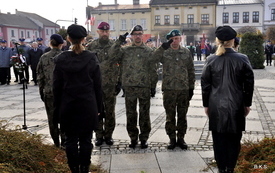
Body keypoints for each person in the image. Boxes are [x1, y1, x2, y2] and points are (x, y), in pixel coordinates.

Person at [201, 25, 254, 173]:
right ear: (233, 40)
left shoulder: (211, 59)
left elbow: (205, 84)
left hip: (216, 104)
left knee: (218, 140)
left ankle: (221, 168)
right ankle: (230, 168)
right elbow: (249, 84)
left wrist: (206, 104)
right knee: (234, 139)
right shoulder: (242, 58)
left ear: (217, 40)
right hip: (237, 104)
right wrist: (247, 103)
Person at [53, 24, 102, 173]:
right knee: (86, 139)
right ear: (83, 39)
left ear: (68, 39)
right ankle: (84, 169)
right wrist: (99, 108)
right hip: (87, 105)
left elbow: (56, 88)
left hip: (68, 106)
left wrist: (57, 109)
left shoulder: (60, 59)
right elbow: (98, 86)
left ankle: (74, 169)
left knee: (70, 140)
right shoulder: (91, 58)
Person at [109, 25, 158, 149]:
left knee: (144, 114)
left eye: (140, 33)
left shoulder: (148, 51)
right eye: (135, 34)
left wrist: (153, 85)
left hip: (144, 87)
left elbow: (153, 69)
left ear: (142, 35)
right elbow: (112, 55)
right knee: (131, 114)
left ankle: (144, 138)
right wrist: (119, 41)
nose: (137, 36)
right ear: (131, 36)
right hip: (129, 87)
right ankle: (133, 138)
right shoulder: (125, 50)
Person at [152, 29, 195, 150]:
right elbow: (152, 59)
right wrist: (161, 48)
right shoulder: (165, 52)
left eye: (177, 38)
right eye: (172, 39)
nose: (174, 41)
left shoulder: (186, 52)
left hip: (183, 89)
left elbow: (191, 70)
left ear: (180, 39)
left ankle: (181, 138)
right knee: (170, 116)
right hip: (169, 89)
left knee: (182, 115)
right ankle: (171, 138)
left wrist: (191, 87)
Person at [86, 22, 120, 146]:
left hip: (111, 85)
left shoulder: (115, 46)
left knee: (110, 112)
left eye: (107, 31)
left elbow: (120, 63)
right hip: (95, 86)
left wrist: (119, 81)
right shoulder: (91, 47)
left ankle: (108, 135)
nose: (105, 33)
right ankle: (99, 135)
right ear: (98, 31)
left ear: (109, 32)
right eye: (102, 31)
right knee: (97, 111)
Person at [37, 34, 65, 149]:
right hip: (64, 93)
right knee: (64, 118)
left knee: (52, 119)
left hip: (49, 93)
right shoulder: (65, 56)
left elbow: (40, 76)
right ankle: (65, 142)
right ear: (61, 44)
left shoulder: (44, 57)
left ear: (50, 43)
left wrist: (41, 91)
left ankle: (56, 143)